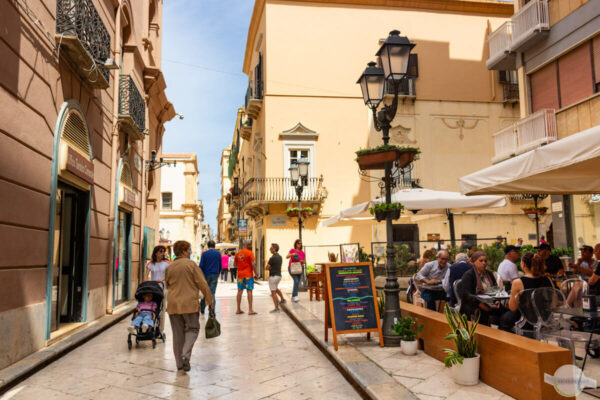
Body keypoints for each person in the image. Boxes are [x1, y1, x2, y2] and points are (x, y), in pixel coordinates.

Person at [165, 240, 213, 372]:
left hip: (173, 304)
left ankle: (179, 364)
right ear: (184, 251)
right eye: (189, 250)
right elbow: (202, 283)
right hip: (189, 304)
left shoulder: (170, 266)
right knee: (193, 329)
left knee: (177, 334)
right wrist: (209, 300)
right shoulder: (191, 265)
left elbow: (168, 284)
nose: (190, 252)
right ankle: (185, 355)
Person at [502, 252, 553, 332]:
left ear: (523, 264)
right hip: (545, 320)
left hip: (525, 321)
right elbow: (554, 303)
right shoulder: (547, 279)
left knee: (504, 319)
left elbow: (513, 307)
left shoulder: (518, 282)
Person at [460, 251, 506, 326]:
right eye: (481, 261)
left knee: (507, 313)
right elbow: (467, 295)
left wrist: (497, 301)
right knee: (483, 314)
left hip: (490, 303)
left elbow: (496, 289)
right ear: (473, 262)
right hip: (474, 306)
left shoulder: (489, 274)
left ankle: (502, 334)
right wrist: (481, 304)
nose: (484, 263)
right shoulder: (468, 275)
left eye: (485, 261)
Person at [145, 245, 169, 333]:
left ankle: (161, 329)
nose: (163, 253)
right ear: (155, 253)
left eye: (163, 251)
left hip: (163, 287)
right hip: (153, 288)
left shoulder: (166, 263)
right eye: (161, 251)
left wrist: (161, 280)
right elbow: (145, 276)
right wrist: (144, 284)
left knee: (162, 308)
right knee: (152, 307)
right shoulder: (150, 264)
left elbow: (168, 274)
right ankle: (149, 324)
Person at [235, 240, 259, 314]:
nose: (251, 246)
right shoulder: (250, 253)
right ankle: (250, 310)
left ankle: (238, 309)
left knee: (239, 291)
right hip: (248, 275)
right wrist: (256, 273)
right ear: (248, 245)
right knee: (249, 291)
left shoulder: (238, 253)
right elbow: (253, 264)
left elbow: (235, 264)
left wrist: (240, 267)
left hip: (240, 275)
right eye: (250, 245)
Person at [199, 240, 221, 314]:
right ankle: (212, 310)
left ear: (207, 246)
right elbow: (220, 264)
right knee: (212, 293)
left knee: (205, 292)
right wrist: (218, 272)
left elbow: (201, 266)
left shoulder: (204, 254)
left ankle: (202, 308)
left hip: (206, 275)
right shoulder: (218, 254)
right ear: (214, 246)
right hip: (214, 274)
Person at [266, 243, 285, 312]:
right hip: (279, 276)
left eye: (271, 248)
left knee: (273, 292)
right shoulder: (280, 257)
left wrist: (270, 267)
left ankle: (276, 308)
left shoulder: (272, 258)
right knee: (276, 288)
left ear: (274, 249)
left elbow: (266, 268)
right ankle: (282, 299)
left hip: (273, 276)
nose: (270, 249)